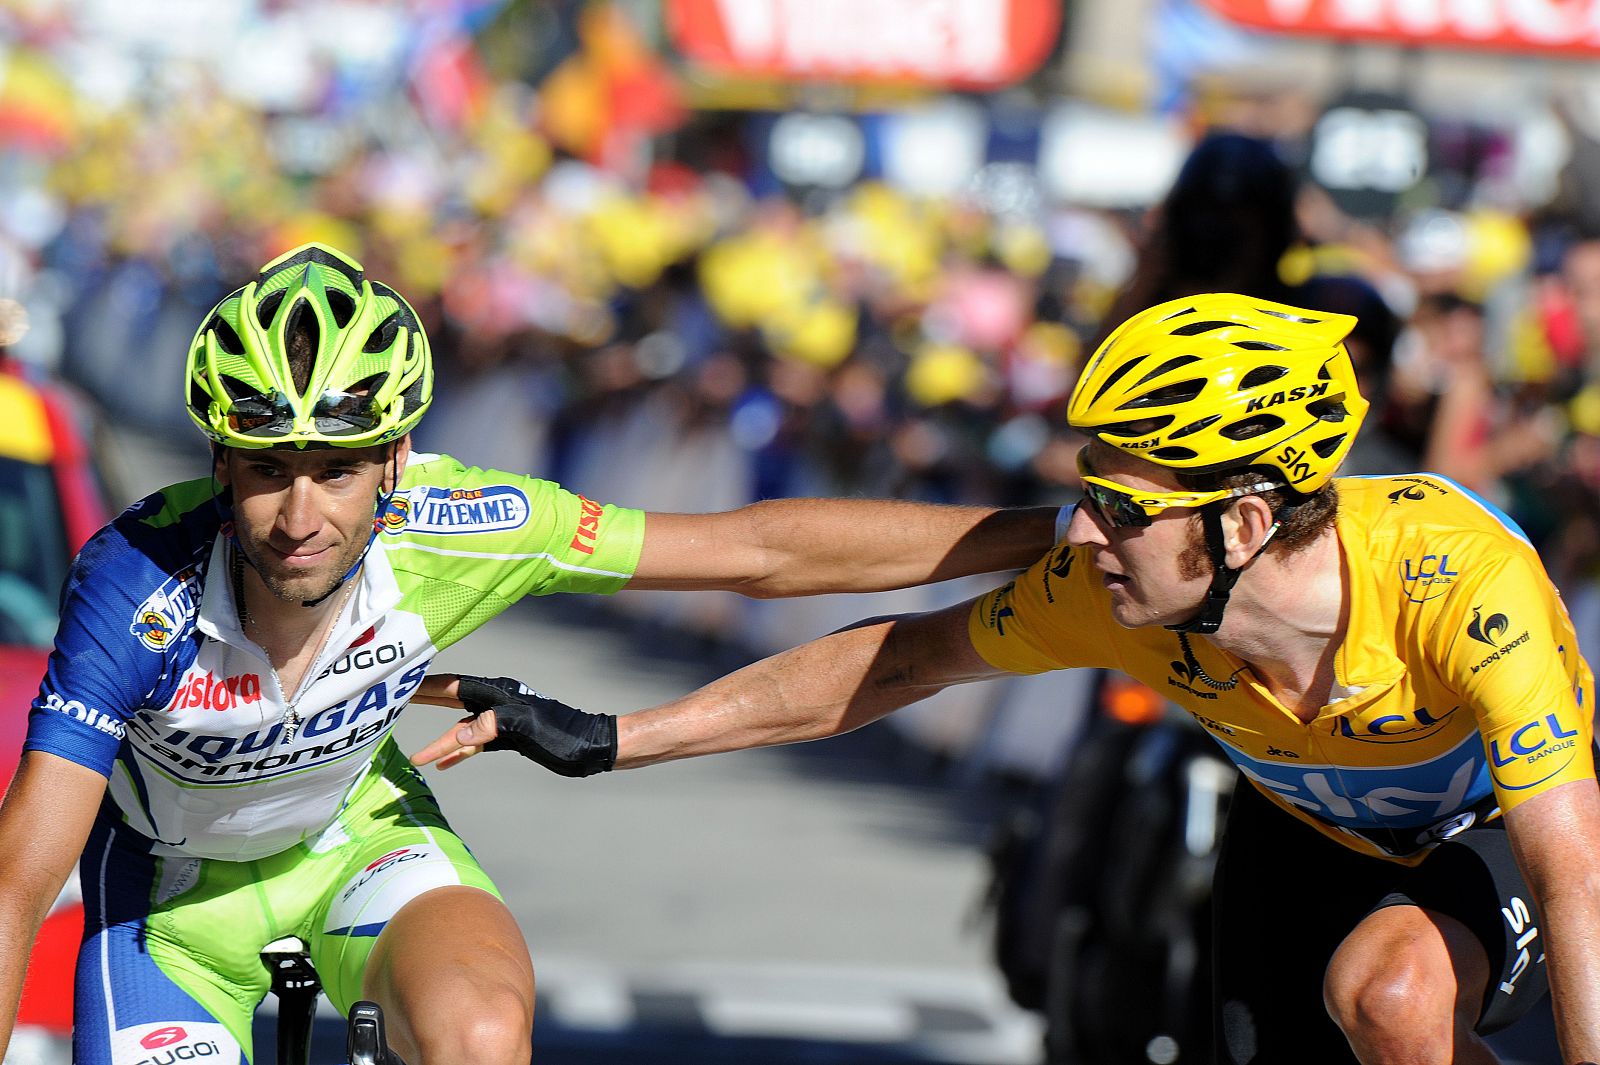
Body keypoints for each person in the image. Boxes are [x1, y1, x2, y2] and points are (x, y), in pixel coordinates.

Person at [420, 293, 1600, 1064]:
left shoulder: (1457, 584)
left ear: (1244, 520)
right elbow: (903, 660)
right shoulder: (1124, 592)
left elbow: (1569, 868)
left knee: (1390, 996)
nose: (1079, 532)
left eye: (1120, 507)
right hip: (1306, 837)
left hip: (1497, 819)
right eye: (1083, 490)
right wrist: (620, 735)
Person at [0, 242, 1059, 1065]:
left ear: (398, 460)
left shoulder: (469, 521)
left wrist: (1055, 530)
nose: (299, 513)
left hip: (357, 843)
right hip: (171, 903)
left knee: (479, 1037)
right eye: (271, 469)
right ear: (223, 462)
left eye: (339, 468)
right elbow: (19, 879)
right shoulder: (133, 578)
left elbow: (755, 551)